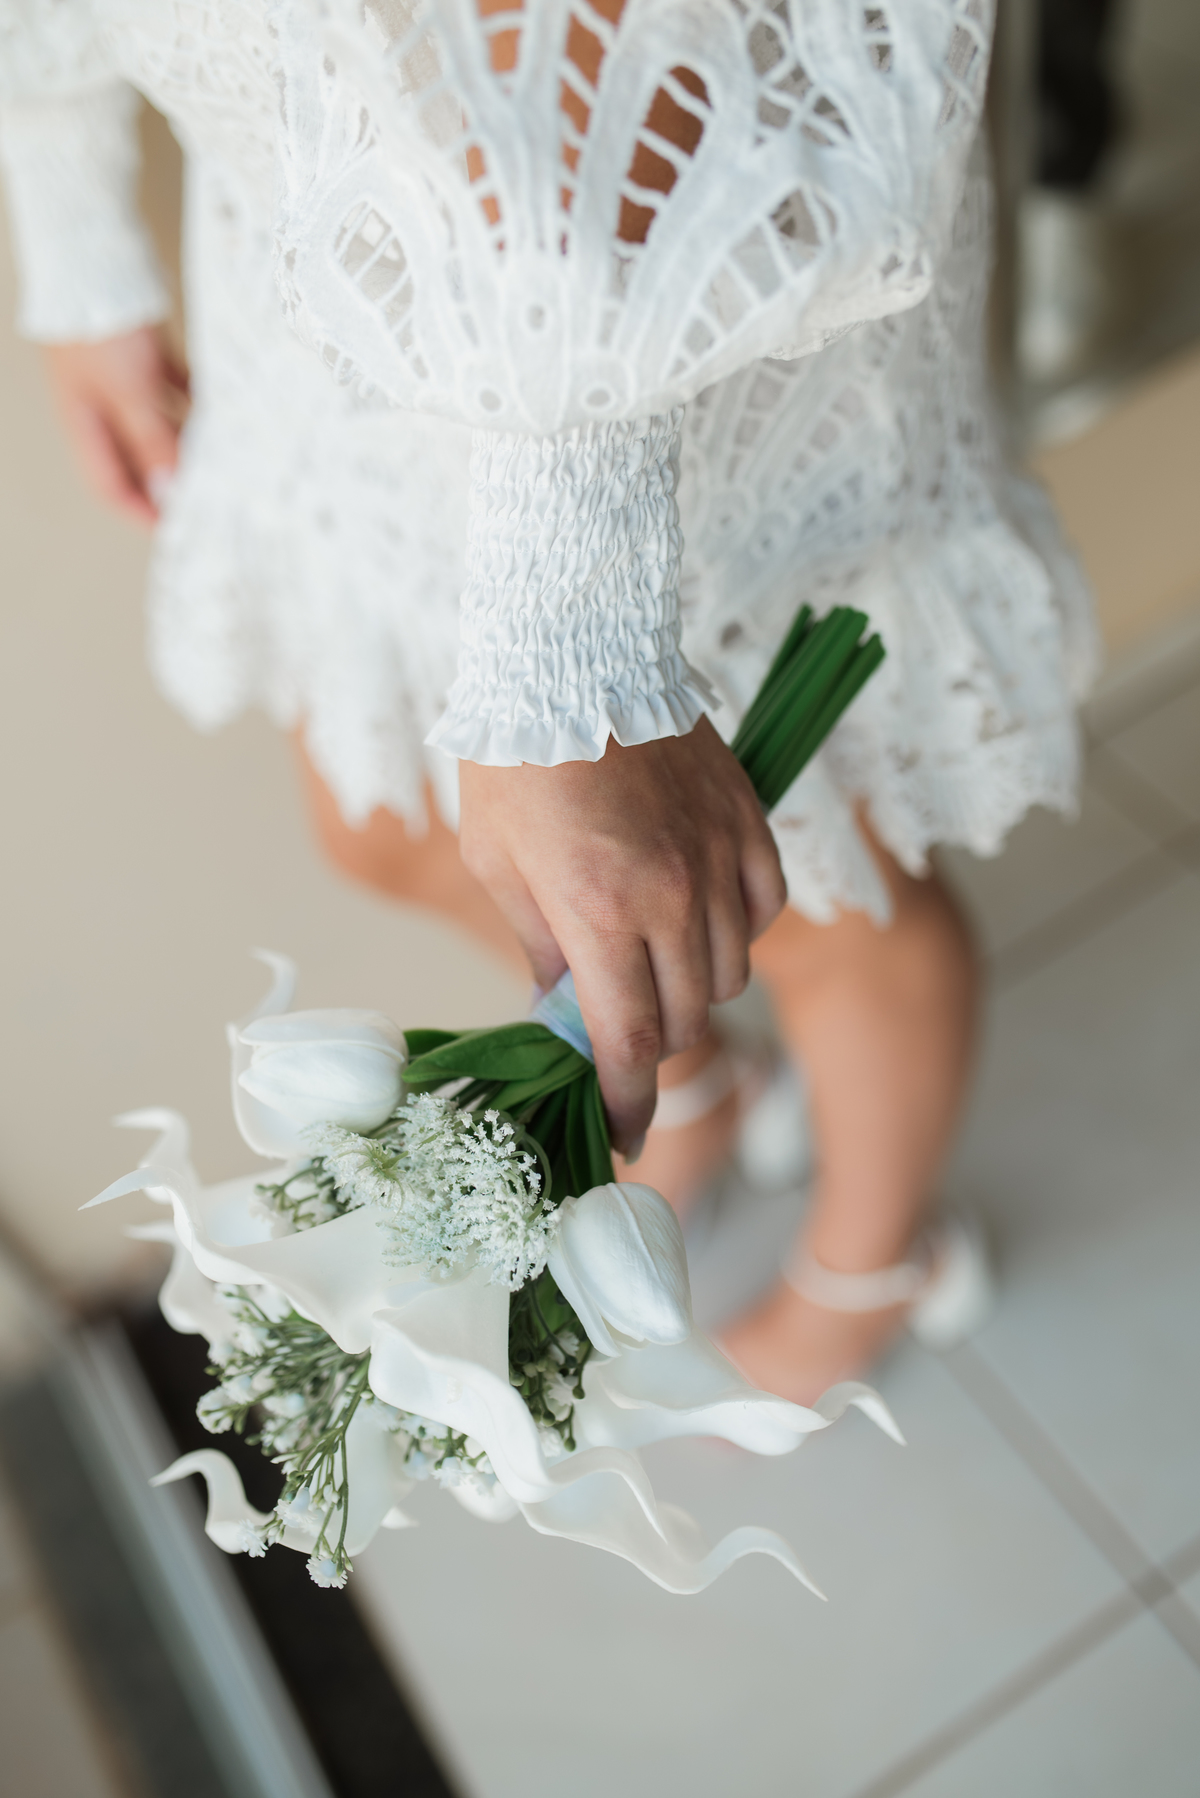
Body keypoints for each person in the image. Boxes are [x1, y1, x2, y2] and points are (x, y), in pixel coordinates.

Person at [0, 0, 1096, 1403]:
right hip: (336, 287)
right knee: (381, 822)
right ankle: (698, 1088)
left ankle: (872, 1262)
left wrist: (575, 645)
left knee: (827, 900)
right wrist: (76, 232)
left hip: (668, 301)